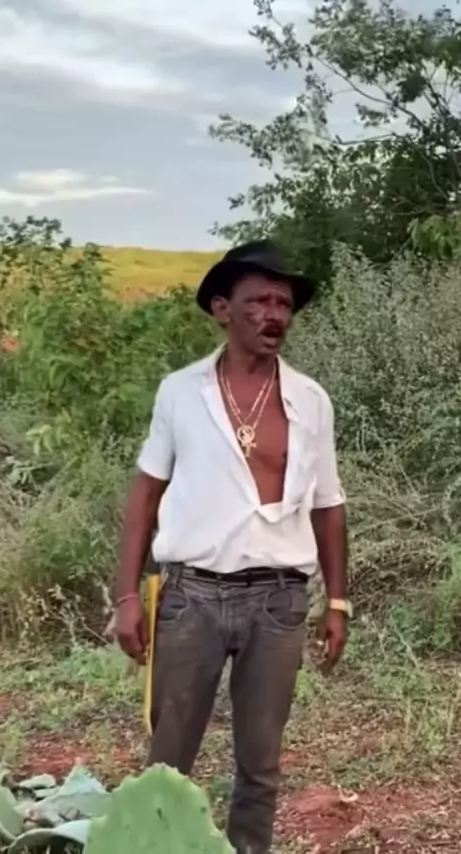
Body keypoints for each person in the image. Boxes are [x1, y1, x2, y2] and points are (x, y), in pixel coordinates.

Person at [115, 240, 350, 854]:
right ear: (223, 308)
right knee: (167, 760)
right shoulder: (180, 392)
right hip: (191, 597)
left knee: (261, 763)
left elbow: (328, 504)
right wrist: (126, 596)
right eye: (259, 301)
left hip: (278, 602)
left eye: (284, 304)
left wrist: (338, 602)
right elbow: (145, 494)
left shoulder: (310, 400)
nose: (275, 315)